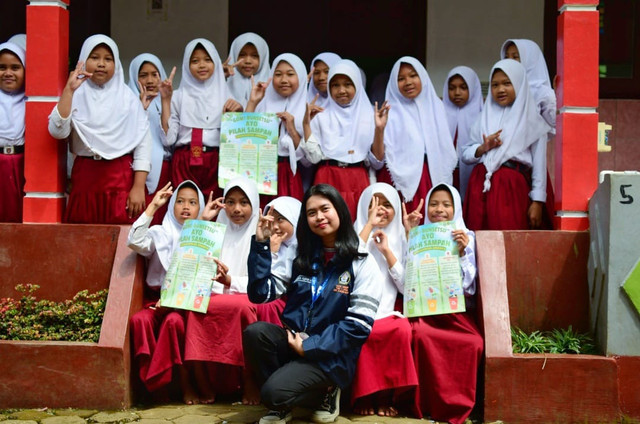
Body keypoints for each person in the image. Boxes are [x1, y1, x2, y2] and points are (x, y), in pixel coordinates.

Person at [243, 184, 382, 424]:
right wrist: (261, 245)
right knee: (255, 333)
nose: (319, 217)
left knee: (271, 393)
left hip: (331, 354)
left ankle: (328, 390)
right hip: (295, 341)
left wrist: (311, 346)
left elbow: (358, 327)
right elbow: (260, 294)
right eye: (311, 212)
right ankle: (282, 404)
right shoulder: (300, 254)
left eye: (325, 209)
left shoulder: (362, 261)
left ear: (339, 209)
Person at [128, 180, 219, 404]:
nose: (185, 206)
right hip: (156, 300)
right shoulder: (160, 232)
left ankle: (186, 381)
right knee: (139, 321)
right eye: (179, 201)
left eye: (192, 202)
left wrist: (204, 223)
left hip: (185, 303)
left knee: (174, 323)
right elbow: (135, 241)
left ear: (200, 207)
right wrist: (152, 207)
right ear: (171, 206)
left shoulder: (205, 235)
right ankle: (152, 386)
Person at [48, 34, 151, 224]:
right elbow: (57, 131)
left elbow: (143, 145)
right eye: (94, 57)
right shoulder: (74, 94)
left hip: (120, 177)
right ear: (83, 60)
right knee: (82, 238)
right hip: (86, 176)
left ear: (116, 63)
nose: (101, 64)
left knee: (120, 241)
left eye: (108, 59)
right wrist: (69, 91)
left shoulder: (128, 99)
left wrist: (138, 186)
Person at [407, 183, 483, 424]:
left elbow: (469, 288)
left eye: (446, 205)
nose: (439, 209)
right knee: (420, 336)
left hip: (455, 313)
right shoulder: (418, 235)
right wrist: (409, 235)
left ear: (456, 208)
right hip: (425, 312)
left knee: (473, 343)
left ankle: (455, 407)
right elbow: (409, 279)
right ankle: (427, 405)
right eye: (434, 203)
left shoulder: (466, 237)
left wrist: (461, 253)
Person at [184, 176, 261, 405]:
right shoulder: (214, 228)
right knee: (194, 308)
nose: (236, 209)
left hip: (244, 294)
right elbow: (190, 266)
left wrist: (230, 281)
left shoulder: (260, 233)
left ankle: (249, 380)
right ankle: (202, 381)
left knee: (243, 309)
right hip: (212, 292)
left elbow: (259, 283)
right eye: (230, 202)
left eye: (244, 203)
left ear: (254, 205)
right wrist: (204, 223)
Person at [351, 183, 418, 417]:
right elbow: (347, 266)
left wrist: (387, 252)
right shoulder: (355, 234)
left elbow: (407, 288)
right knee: (359, 333)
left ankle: (385, 396)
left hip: (387, 312)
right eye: (374, 204)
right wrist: (368, 226)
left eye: (387, 204)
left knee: (400, 331)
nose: (381, 210)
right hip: (356, 310)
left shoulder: (401, 238)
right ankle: (364, 395)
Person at [461, 59, 552, 231]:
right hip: (480, 186)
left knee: (508, 242)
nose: (500, 89)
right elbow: (465, 154)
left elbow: (539, 166)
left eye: (507, 83)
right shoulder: (483, 117)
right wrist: (482, 148)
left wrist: (538, 202)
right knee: (479, 241)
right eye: (495, 85)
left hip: (511, 188)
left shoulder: (533, 122)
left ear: (519, 83)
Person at [375, 57, 457, 224]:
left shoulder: (437, 107)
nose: (408, 82)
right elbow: (378, 158)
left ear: (423, 77)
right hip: (398, 180)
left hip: (431, 176)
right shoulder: (389, 112)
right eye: (401, 78)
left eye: (413, 76)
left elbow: (446, 150)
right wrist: (379, 130)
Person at [301, 59, 380, 220]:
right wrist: (306, 124)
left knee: (358, 226)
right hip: (328, 176)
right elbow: (313, 158)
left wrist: (380, 129)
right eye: (335, 85)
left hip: (358, 178)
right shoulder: (320, 115)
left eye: (347, 84)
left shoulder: (371, 115)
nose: (341, 90)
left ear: (357, 85)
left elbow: (376, 162)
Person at [164, 38, 242, 200]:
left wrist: (238, 113)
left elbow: (235, 139)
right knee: (185, 211)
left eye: (208, 60)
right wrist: (165, 100)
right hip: (184, 160)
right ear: (186, 64)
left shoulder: (226, 96)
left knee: (214, 208)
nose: (202, 65)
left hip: (216, 160)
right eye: (195, 61)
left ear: (216, 63)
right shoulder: (178, 96)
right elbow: (169, 139)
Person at [245, 53, 308, 205]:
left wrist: (292, 129)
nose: (284, 80)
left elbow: (308, 160)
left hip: (288, 174)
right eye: (278, 74)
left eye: (290, 74)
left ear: (301, 76)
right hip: (260, 173)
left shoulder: (307, 109)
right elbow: (242, 139)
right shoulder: (262, 103)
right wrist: (253, 103)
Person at [128, 53, 176, 225]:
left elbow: (169, 139)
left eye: (154, 74)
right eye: (143, 75)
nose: (149, 80)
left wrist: (165, 101)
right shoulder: (127, 102)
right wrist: (140, 109)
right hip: (136, 175)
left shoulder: (170, 100)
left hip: (165, 172)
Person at [251, 196, 302, 325]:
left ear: (295, 219)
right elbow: (260, 289)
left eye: (280, 219)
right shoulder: (271, 244)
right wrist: (269, 251)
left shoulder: (304, 249)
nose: (275, 227)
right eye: (272, 221)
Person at [442, 66, 483, 199]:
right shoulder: (439, 115)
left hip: (473, 177)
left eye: (463, 87)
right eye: (452, 88)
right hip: (446, 175)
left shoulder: (483, 116)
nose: (457, 92)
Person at [501, 39, 556, 130]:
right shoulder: (502, 90)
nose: (509, 61)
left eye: (515, 57)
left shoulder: (543, 93)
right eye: (506, 57)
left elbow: (556, 122)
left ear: (530, 60)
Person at [0, 41, 26, 222]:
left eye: (15, 67)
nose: (8, 73)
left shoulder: (31, 101)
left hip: (22, 164)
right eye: (2, 67)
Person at [224, 32, 270, 108]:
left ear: (263, 58)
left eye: (254, 56)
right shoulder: (223, 83)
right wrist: (218, 76)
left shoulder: (273, 87)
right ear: (235, 56)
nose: (248, 61)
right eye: (242, 55)